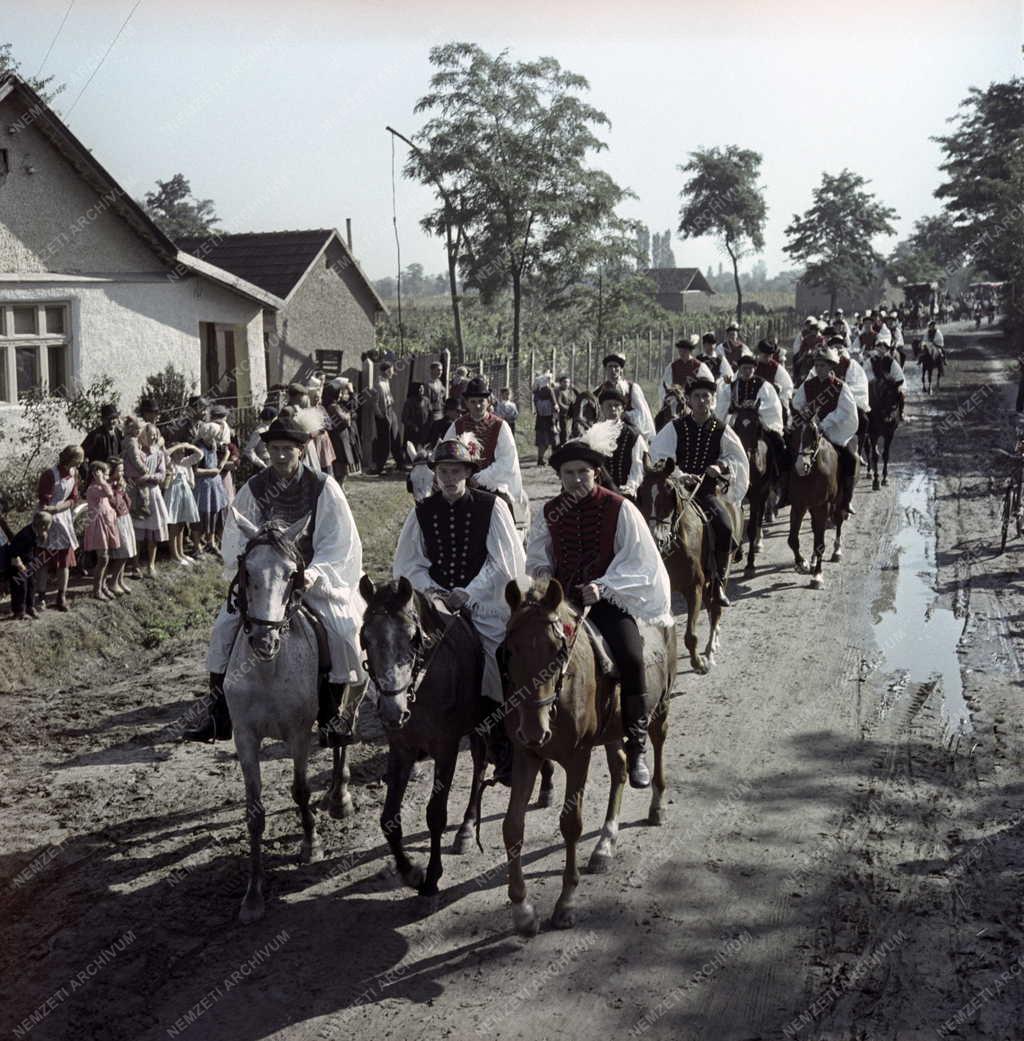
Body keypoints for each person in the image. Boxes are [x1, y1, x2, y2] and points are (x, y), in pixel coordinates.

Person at [187, 411, 366, 747]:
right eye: (275, 449)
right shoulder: (255, 488)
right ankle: (218, 714)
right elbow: (237, 539)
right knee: (224, 628)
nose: (281, 455)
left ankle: (332, 714)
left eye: (288, 449)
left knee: (342, 632)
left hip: (309, 578)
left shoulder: (323, 488)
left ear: (302, 450)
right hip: (267, 580)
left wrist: (312, 574)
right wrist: (253, 569)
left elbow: (337, 540)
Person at [526, 420, 674, 788]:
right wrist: (546, 584)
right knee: (516, 651)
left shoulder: (619, 508)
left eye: (583, 473)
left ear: (595, 472)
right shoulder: (548, 512)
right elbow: (537, 558)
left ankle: (637, 742)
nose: (576, 480)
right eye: (568, 473)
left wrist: (604, 587)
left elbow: (640, 561)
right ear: (560, 476)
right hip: (560, 604)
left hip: (606, 601)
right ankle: (512, 738)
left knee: (631, 655)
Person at [393, 433, 527, 781]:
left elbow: (503, 563)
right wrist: (435, 592)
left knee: (498, 657)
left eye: (456, 471)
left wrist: (468, 593)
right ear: (434, 474)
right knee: (407, 651)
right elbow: (408, 565)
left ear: (468, 472)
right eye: (443, 471)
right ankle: (414, 730)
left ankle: (502, 739)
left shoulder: (491, 506)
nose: (449, 478)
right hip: (436, 602)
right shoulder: (422, 512)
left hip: (484, 602)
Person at [650, 379, 749, 608]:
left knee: (724, 526)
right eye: (697, 396)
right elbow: (659, 456)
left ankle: (718, 582)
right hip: (676, 489)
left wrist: (720, 467)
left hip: (705, 492)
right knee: (653, 520)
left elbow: (736, 458)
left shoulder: (722, 428)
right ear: (689, 400)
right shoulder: (676, 427)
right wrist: (679, 474)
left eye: (706, 396)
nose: (702, 401)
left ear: (712, 399)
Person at [446, 376, 530, 524]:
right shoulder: (457, 425)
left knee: (504, 512)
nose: (478, 406)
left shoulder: (500, 426)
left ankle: (511, 538)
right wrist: (462, 476)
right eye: (473, 402)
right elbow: (447, 452)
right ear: (466, 403)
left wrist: (481, 478)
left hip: (492, 483)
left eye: (481, 401)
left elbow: (507, 460)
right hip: (462, 482)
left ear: (488, 401)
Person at [791, 347, 860, 518]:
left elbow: (846, 411)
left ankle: (846, 501)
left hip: (833, 432)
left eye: (823, 365)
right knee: (790, 451)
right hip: (811, 430)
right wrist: (807, 414)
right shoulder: (808, 385)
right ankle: (786, 493)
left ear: (831, 367)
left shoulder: (840, 387)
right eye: (817, 365)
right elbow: (796, 402)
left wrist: (826, 423)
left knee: (850, 459)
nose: (819, 368)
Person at [36, 445, 84, 612]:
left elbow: (73, 498)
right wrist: (52, 510)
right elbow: (44, 500)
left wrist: (60, 508)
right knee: (43, 560)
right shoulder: (50, 474)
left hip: (63, 518)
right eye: (77, 461)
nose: (78, 465)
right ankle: (40, 597)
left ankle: (61, 596)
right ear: (68, 459)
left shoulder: (73, 474)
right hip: (47, 519)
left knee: (64, 560)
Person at [729, 351, 786, 475]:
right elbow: (726, 405)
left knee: (777, 441)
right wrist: (736, 408)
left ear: (754, 369)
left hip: (758, 418)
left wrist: (756, 407)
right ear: (739, 369)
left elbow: (772, 404)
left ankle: (778, 473)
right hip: (738, 418)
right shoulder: (733, 385)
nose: (747, 371)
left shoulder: (763, 384)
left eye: (750, 368)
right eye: (744, 368)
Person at [130, 423, 170, 576]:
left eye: (155, 434)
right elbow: (132, 475)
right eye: (149, 434)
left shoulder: (159, 454)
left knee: (152, 533)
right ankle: (135, 565)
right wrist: (139, 480)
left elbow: (161, 474)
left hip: (153, 494)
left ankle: (151, 565)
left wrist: (148, 477)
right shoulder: (137, 453)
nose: (153, 437)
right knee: (138, 532)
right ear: (142, 436)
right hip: (139, 495)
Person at [595, 352, 656, 441]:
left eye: (616, 367)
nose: (613, 370)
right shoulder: (599, 390)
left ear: (621, 370)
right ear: (606, 370)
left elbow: (642, 414)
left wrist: (625, 415)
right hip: (605, 430)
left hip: (627, 431)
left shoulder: (632, 388)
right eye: (610, 367)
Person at [596, 388, 646, 497]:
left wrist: (630, 486)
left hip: (625, 492)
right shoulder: (594, 433)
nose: (613, 409)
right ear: (602, 408)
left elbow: (637, 465)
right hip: (599, 491)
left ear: (622, 409)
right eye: (609, 405)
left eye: (617, 405)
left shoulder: (633, 435)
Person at [82, 460, 120, 599]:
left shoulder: (101, 486)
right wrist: (101, 481)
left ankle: (103, 586)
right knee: (103, 558)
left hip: (107, 523)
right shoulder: (94, 488)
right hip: (98, 525)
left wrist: (104, 481)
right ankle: (96, 589)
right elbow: (109, 494)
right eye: (105, 474)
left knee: (106, 557)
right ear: (96, 474)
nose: (107, 477)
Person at [3, 512, 52, 620]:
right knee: (20, 588)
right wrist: (20, 566)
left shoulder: (34, 531)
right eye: (46, 528)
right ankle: (19, 611)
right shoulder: (25, 534)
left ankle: (30, 606)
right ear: (42, 526)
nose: (46, 531)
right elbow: (14, 551)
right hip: (17, 564)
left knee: (31, 585)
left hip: (28, 562)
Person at [833, 337, 871, 464]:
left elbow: (859, 385)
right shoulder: (825, 364)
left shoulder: (852, 365)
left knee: (864, 420)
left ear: (844, 349)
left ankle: (858, 452)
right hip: (829, 402)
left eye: (840, 347)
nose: (837, 350)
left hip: (847, 401)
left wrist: (844, 391)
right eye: (834, 348)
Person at [193, 421, 228, 556]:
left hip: (214, 486)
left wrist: (222, 464)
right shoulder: (199, 449)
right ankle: (197, 546)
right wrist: (212, 471)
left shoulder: (213, 445)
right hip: (203, 487)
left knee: (214, 514)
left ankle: (211, 542)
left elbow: (227, 452)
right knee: (200, 516)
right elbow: (195, 471)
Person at [165, 443, 203, 565]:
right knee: (174, 524)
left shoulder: (185, 462)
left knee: (181, 524)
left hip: (185, 494)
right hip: (173, 494)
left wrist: (190, 446)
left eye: (182, 452)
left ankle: (181, 553)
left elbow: (199, 455)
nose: (181, 454)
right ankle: (174, 554)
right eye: (178, 452)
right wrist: (178, 446)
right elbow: (164, 454)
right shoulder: (169, 462)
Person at [322, 380, 359, 486]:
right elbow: (346, 420)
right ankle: (339, 486)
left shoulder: (328, 405)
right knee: (340, 464)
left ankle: (340, 486)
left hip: (336, 437)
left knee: (339, 463)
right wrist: (349, 414)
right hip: (338, 438)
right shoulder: (333, 407)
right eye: (339, 393)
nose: (341, 395)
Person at [107, 459, 136, 596]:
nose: (122, 473)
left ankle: (120, 580)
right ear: (111, 471)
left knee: (127, 551)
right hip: (116, 520)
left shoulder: (120, 484)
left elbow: (126, 502)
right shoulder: (108, 486)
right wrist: (118, 491)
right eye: (119, 470)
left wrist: (123, 491)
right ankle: (112, 582)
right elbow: (114, 503)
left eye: (123, 470)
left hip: (125, 518)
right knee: (123, 552)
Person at [369, 360, 402, 474]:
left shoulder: (386, 382)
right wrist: (382, 417)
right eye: (391, 370)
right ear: (387, 371)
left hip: (390, 411)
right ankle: (380, 466)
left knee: (395, 437)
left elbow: (389, 398)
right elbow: (375, 404)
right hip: (383, 414)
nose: (393, 373)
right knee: (384, 441)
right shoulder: (378, 384)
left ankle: (400, 463)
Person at [660, 335, 713, 404]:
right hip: (676, 399)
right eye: (680, 351)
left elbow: (710, 381)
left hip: (694, 400)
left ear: (689, 351)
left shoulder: (699, 366)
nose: (682, 353)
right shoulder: (673, 366)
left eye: (684, 351)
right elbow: (664, 384)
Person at [532, 373, 559, 466]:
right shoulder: (549, 390)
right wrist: (556, 410)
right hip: (550, 420)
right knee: (553, 439)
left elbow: (536, 405)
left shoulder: (536, 393)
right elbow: (555, 405)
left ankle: (540, 459)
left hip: (540, 420)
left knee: (542, 441)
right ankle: (553, 459)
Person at [242, 404, 278, 471]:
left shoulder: (271, 429)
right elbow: (248, 450)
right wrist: (260, 463)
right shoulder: (259, 431)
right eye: (276, 417)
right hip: (264, 463)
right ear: (272, 418)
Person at [401, 383, 431, 451]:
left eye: (422, 388)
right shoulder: (409, 402)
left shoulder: (426, 401)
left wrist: (429, 425)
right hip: (412, 432)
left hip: (424, 431)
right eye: (420, 388)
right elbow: (404, 418)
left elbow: (430, 414)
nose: (422, 390)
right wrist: (413, 426)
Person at [554, 375, 576, 444]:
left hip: (570, 416)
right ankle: (563, 446)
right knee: (564, 433)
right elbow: (559, 403)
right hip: (562, 415)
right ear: (560, 383)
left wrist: (575, 388)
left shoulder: (570, 391)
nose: (567, 384)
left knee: (570, 432)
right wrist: (569, 409)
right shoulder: (559, 391)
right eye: (565, 382)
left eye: (568, 382)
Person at [425, 360, 447, 425]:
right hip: (431, 414)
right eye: (438, 370)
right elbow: (426, 400)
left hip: (440, 411)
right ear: (432, 370)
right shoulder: (427, 384)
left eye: (441, 370)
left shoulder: (439, 382)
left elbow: (442, 394)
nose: (440, 372)